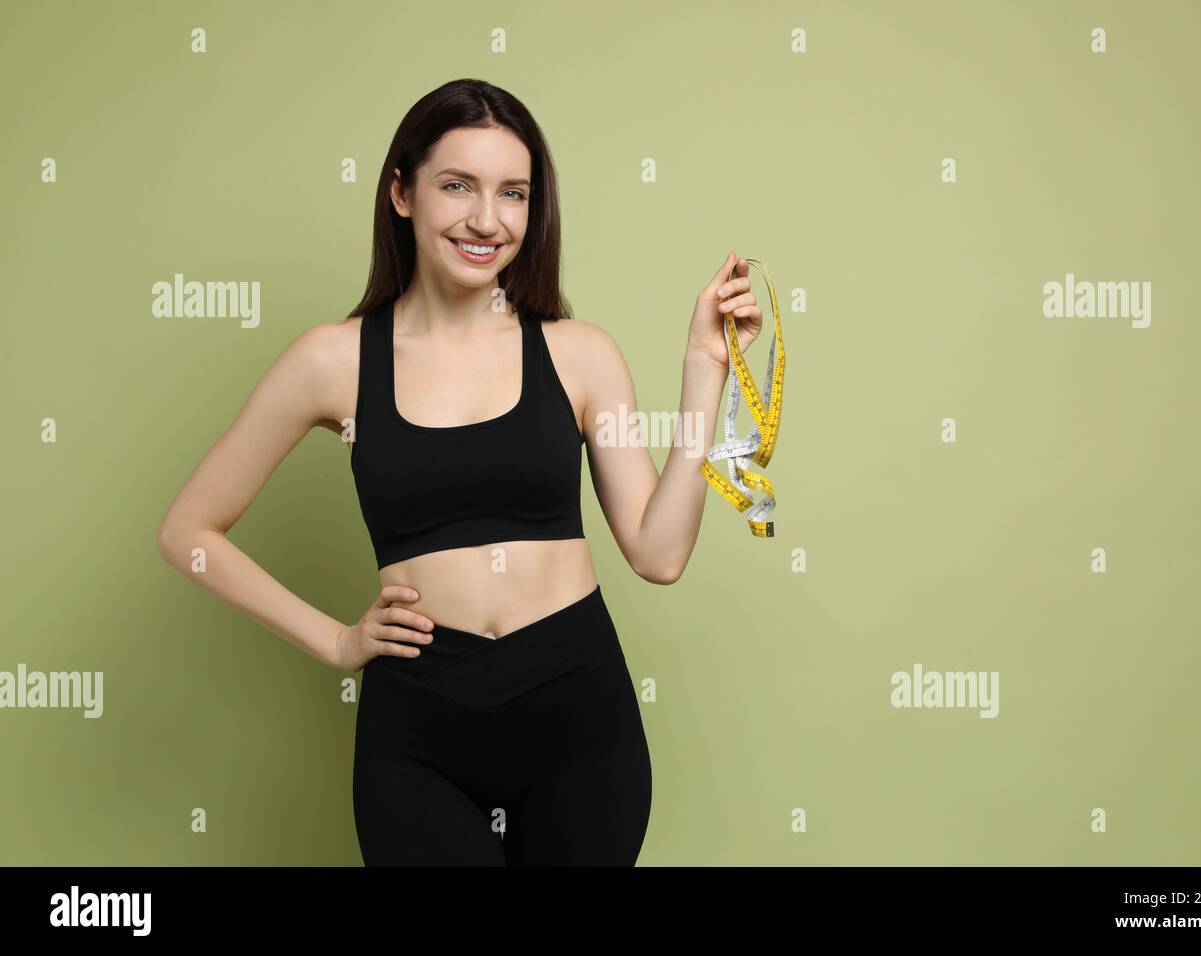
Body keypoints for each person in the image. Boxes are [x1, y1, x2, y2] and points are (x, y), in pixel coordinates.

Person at [156, 78, 763, 866]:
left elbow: (659, 554)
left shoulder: (579, 353)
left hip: (580, 717)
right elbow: (187, 531)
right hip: (419, 726)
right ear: (401, 193)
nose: (487, 219)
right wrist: (338, 640)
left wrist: (702, 371)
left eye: (513, 193)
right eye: (457, 186)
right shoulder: (332, 361)